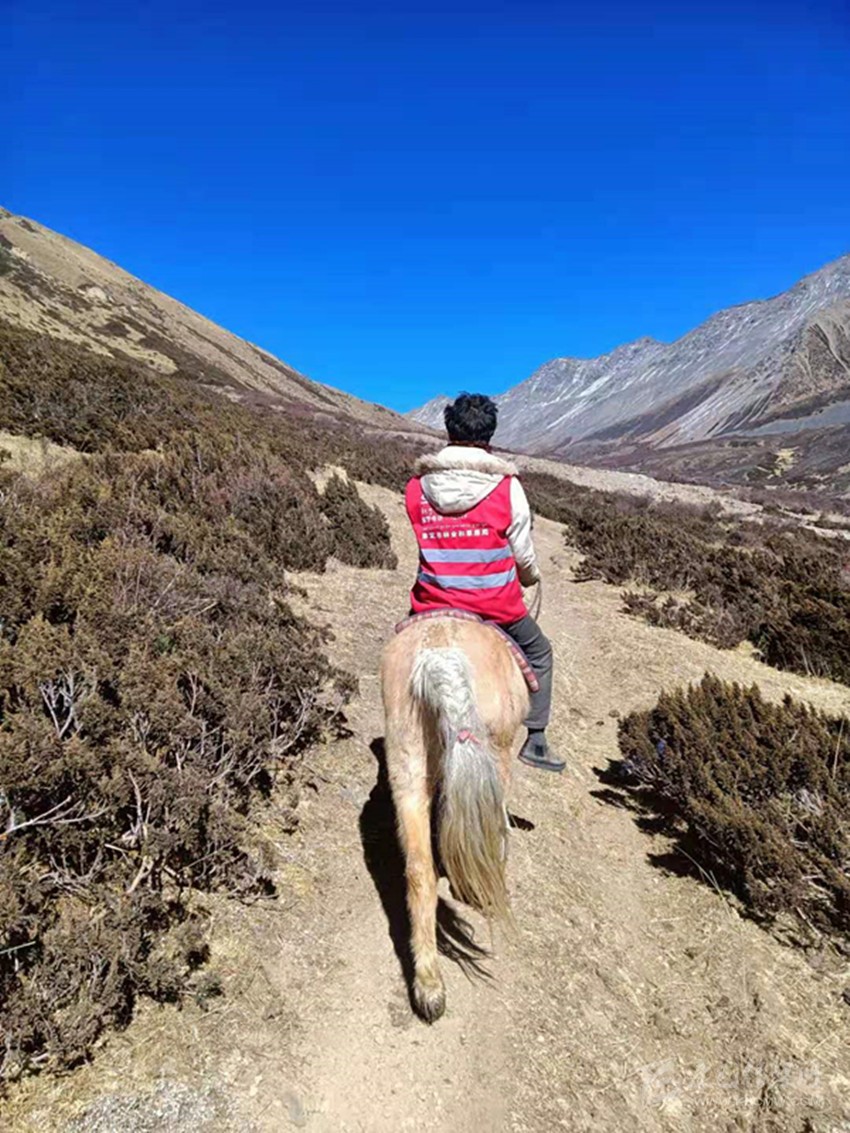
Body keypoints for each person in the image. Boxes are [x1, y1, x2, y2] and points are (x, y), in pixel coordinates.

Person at [404, 392, 564, 773]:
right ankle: (536, 739)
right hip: (495, 607)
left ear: (449, 430)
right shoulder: (508, 488)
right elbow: (521, 551)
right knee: (540, 652)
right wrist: (530, 576)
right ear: (489, 435)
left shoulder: (416, 488)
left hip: (432, 603)